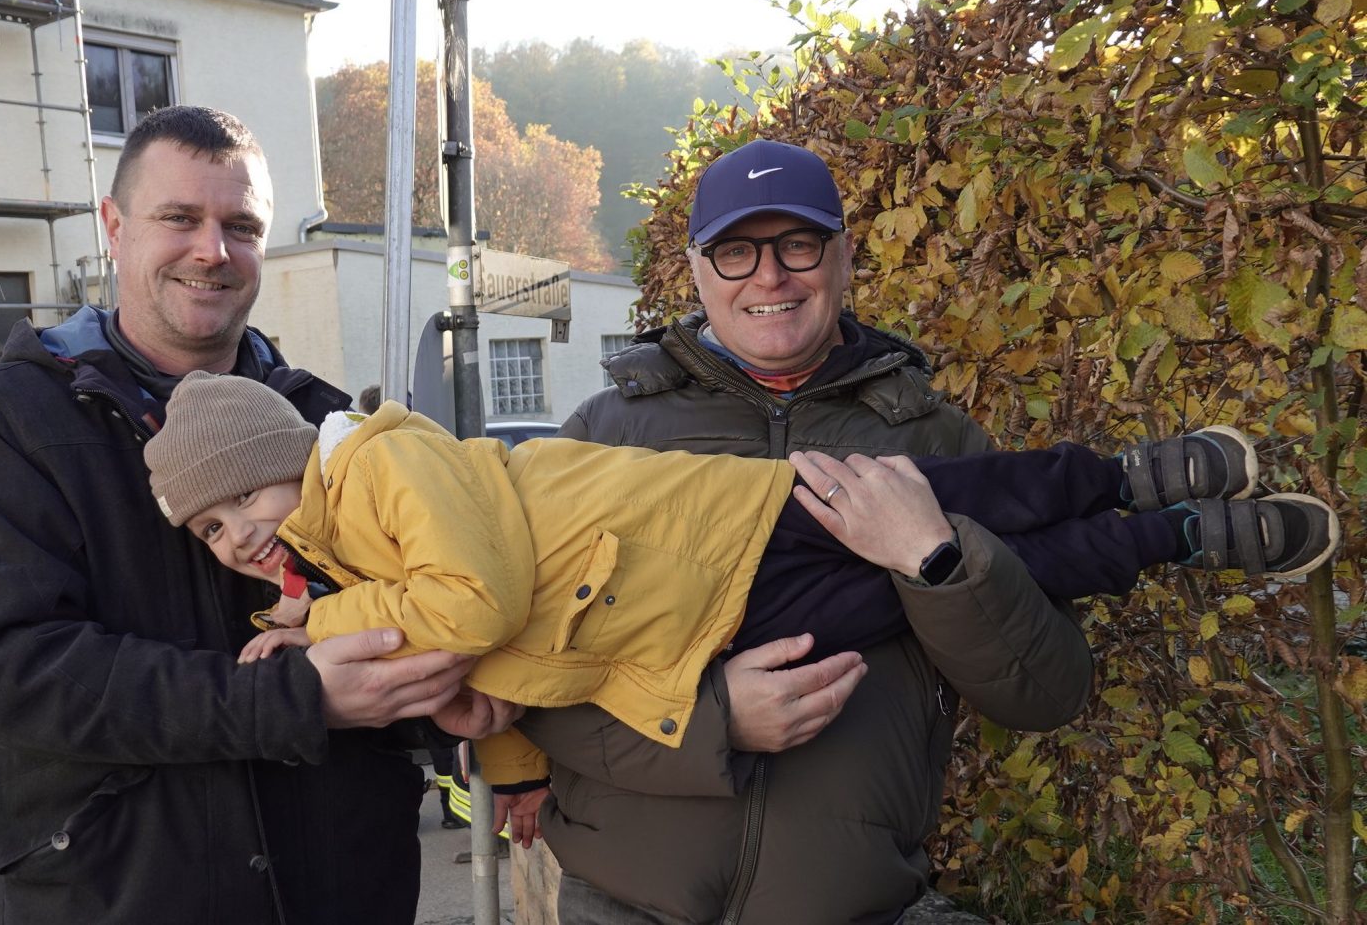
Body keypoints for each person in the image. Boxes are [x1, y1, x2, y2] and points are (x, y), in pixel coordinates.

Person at [506, 137, 1315, 925]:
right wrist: (714, 722)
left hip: (847, 903)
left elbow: (1045, 693)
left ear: (843, 256)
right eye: (736, 252)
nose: (770, 276)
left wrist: (935, 563)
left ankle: (1166, 522)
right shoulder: (602, 438)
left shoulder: (936, 436)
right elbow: (527, 687)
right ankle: (1164, 522)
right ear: (696, 269)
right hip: (621, 903)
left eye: (797, 245)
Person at [141, 372, 1337, 846]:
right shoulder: (338, 560)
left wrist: (326, 630)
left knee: (968, 498)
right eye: (211, 534)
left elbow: (480, 601)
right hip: (704, 620)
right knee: (968, 570)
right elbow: (491, 673)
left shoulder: (379, 467)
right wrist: (512, 772)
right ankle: (1175, 539)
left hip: (724, 531)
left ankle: (1130, 475)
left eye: (239, 500)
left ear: (284, 455)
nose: (237, 537)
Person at [0, 106, 516, 925]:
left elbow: (428, 606)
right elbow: (19, 672)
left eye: (242, 227)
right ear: (114, 226)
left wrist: (459, 718)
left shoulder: (328, 423)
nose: (213, 250)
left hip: (343, 889)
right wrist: (295, 697)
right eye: (180, 218)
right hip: (121, 895)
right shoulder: (9, 419)